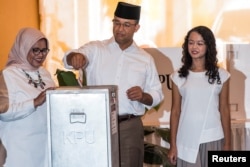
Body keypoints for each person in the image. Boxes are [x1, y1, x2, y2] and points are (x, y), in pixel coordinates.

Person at [63, 2, 164, 167]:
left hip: (128, 127)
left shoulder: (145, 59)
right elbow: (71, 57)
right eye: (116, 23)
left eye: (126, 25)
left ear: (136, 28)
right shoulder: (96, 49)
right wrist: (74, 57)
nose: (120, 29)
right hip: (96, 124)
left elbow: (157, 94)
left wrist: (143, 96)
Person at [168, 25, 231, 167]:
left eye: (199, 43)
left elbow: (225, 110)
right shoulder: (177, 76)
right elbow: (175, 112)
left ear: (209, 46)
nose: (194, 47)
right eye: (191, 42)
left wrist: (227, 144)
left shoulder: (222, 75)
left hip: (213, 138)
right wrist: (173, 145)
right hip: (186, 139)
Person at [0, 27, 55, 167]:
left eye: (44, 50)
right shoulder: (8, 75)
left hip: (44, 149)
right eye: (35, 49)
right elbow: (3, 111)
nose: (41, 54)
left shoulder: (45, 74)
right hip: (18, 151)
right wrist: (34, 103)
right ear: (23, 47)